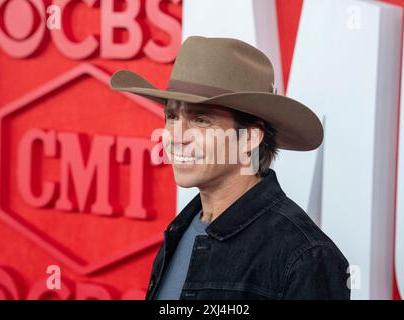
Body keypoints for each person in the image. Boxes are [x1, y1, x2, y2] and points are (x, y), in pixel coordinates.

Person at [110, 36, 350, 300]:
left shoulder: (306, 258)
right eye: (172, 116)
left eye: (201, 120)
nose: (176, 136)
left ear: (249, 138)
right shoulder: (183, 228)